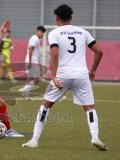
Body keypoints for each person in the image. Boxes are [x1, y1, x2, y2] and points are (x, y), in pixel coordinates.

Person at [22, 4, 108, 151]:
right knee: (89, 108)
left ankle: (35, 140)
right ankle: (95, 137)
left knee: (46, 105)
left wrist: (54, 76)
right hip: (82, 75)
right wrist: (93, 70)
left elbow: (55, 54)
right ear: (71, 17)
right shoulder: (83, 32)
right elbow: (99, 52)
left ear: (56, 18)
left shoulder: (54, 33)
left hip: (63, 75)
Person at [19, 26, 46, 98]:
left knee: (35, 78)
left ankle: (26, 92)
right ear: (37, 31)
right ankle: (25, 90)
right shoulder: (34, 38)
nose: (42, 34)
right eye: (41, 32)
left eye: (43, 32)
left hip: (34, 60)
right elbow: (31, 49)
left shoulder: (36, 39)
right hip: (31, 60)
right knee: (34, 78)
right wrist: (30, 62)